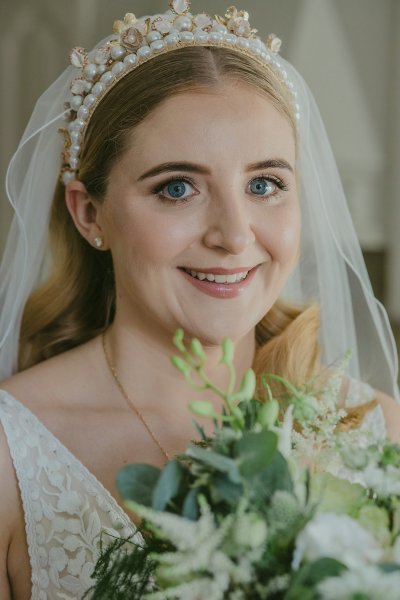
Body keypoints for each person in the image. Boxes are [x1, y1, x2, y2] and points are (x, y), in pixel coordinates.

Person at [0, 2, 399, 598]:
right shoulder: (12, 455)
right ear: (89, 214)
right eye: (178, 188)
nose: (235, 235)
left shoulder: (374, 432)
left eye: (264, 185)